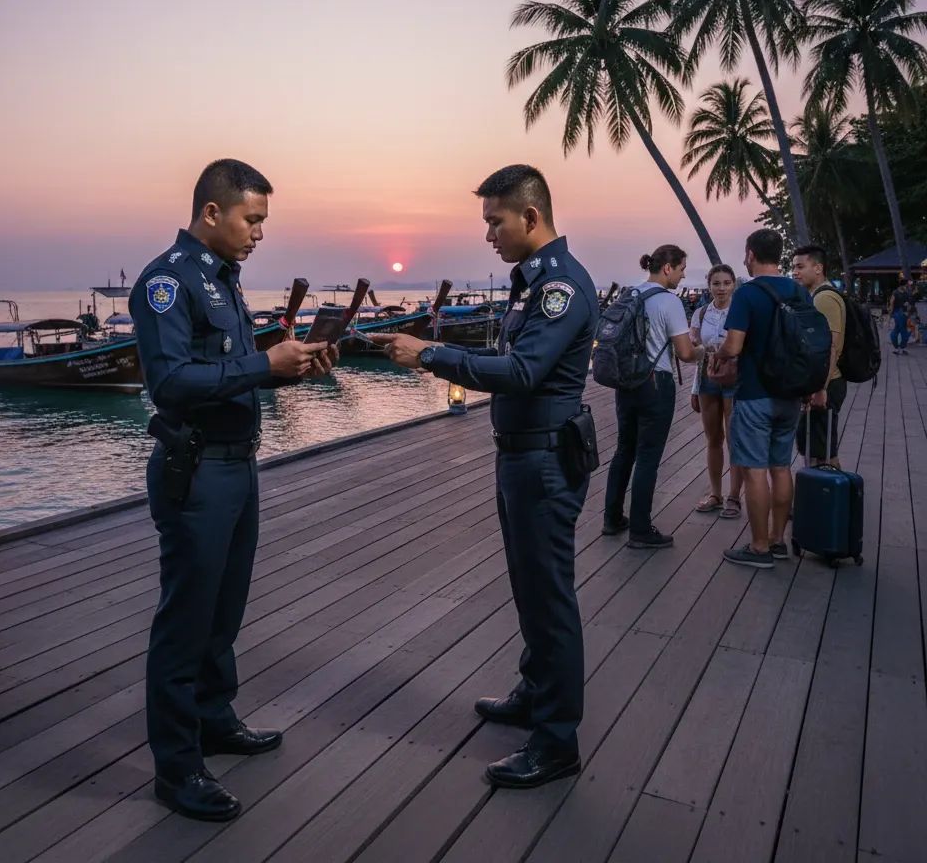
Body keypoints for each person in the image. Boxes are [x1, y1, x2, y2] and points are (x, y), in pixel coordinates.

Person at [371, 164, 598, 791]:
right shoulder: (531, 284)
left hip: (546, 459)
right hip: (523, 455)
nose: (489, 236)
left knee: (550, 597)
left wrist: (432, 355)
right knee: (529, 586)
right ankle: (535, 691)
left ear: (530, 217)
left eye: (495, 222)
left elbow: (523, 371)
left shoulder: (560, 288)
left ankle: (556, 742)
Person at [129, 159, 336, 822]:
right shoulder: (168, 282)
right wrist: (259, 362)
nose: (259, 234)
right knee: (186, 623)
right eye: (253, 220)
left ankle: (216, 721)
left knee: (223, 613)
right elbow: (169, 383)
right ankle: (178, 768)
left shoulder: (224, 281)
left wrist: (287, 369)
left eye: (263, 223)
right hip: (196, 472)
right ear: (212, 213)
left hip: (238, 466)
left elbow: (228, 372)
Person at [712, 228, 808, 568]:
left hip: (755, 394)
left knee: (754, 470)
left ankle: (758, 547)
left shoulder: (748, 294)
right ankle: (779, 541)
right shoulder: (799, 291)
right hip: (791, 393)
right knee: (781, 467)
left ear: (751, 254)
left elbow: (734, 345)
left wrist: (718, 353)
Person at [603, 245, 700, 548]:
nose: (683, 275)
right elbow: (684, 353)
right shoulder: (668, 302)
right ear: (668, 268)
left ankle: (612, 518)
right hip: (656, 382)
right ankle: (641, 530)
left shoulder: (630, 294)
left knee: (624, 450)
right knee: (648, 457)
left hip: (627, 382)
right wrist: (705, 351)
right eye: (682, 268)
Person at [690, 264, 743, 517]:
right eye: (716, 283)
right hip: (707, 379)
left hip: (735, 377)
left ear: (734, 284)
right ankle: (715, 493)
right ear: (709, 285)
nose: (721, 288)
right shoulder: (700, 314)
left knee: (735, 440)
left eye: (726, 283)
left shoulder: (741, 312)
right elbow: (696, 354)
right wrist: (694, 387)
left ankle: (734, 497)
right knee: (713, 439)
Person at [792, 246, 847, 468]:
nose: (794, 272)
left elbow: (831, 346)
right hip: (823, 382)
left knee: (824, 451)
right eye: (793, 267)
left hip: (827, 383)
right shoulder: (817, 296)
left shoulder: (824, 299)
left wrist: (820, 388)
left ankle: (835, 500)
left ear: (818, 268)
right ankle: (822, 499)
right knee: (815, 448)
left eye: (800, 266)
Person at [889, 278, 915, 354]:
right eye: (906, 285)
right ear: (902, 285)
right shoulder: (895, 292)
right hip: (897, 312)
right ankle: (901, 347)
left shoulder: (906, 293)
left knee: (897, 329)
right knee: (903, 330)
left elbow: (908, 303)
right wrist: (891, 313)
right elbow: (891, 303)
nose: (907, 286)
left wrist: (908, 309)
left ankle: (898, 348)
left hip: (904, 313)